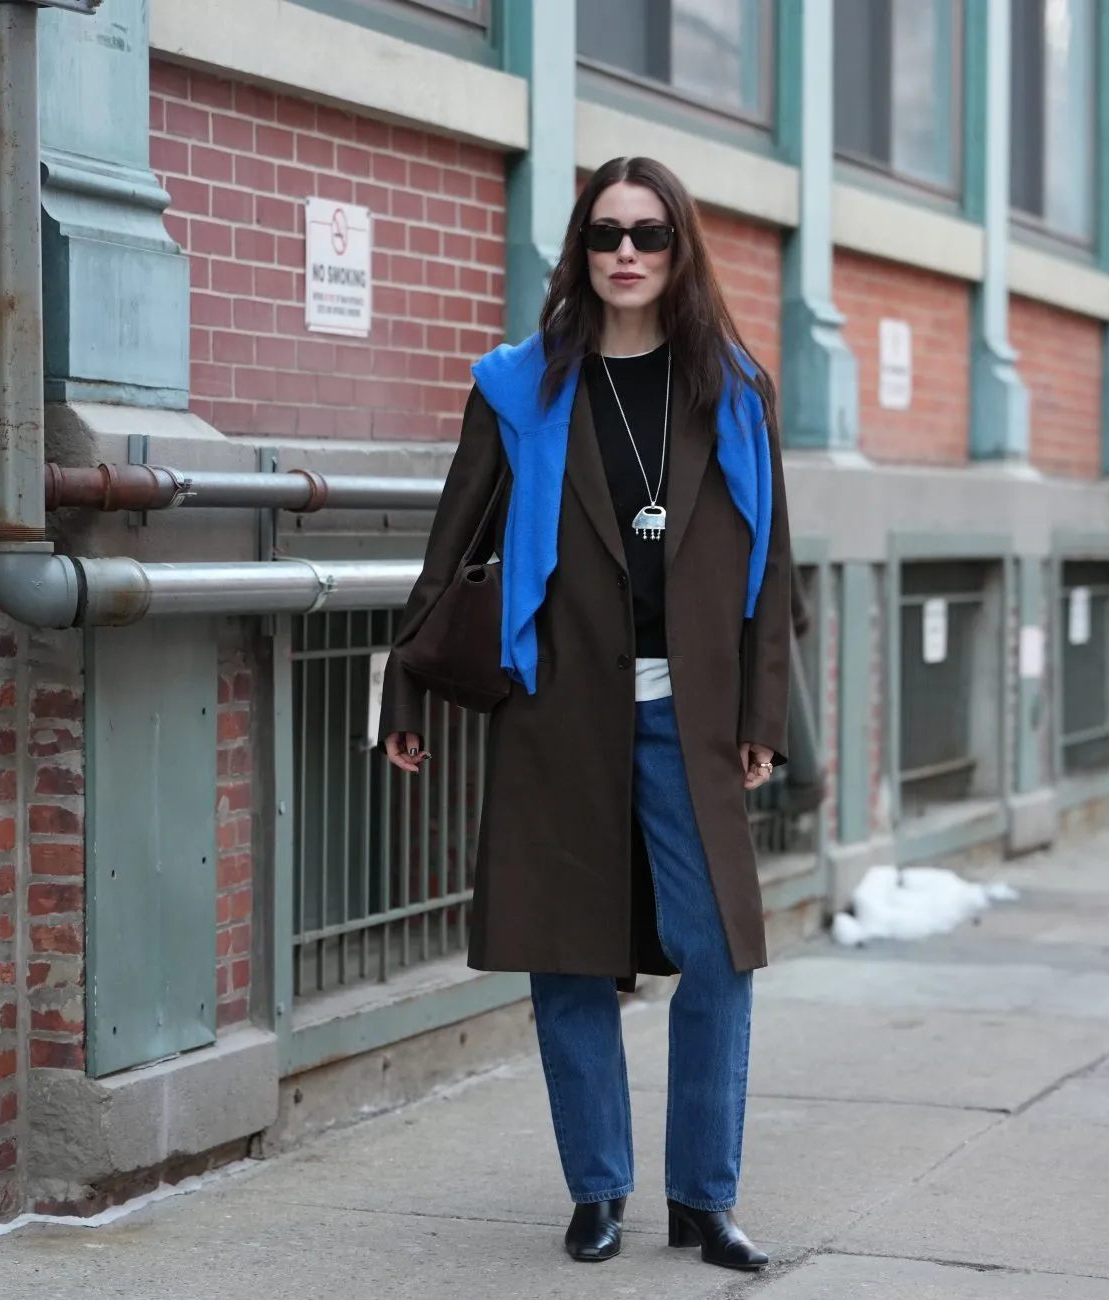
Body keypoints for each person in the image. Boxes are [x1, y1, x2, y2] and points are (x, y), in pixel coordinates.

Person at [378, 155, 792, 1271]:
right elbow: (453, 546)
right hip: (556, 711)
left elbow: (772, 566)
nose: (625, 253)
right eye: (606, 233)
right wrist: (404, 681)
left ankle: (703, 1199)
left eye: (648, 234)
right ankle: (597, 1190)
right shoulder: (519, 387)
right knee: (564, 958)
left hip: (691, 717)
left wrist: (764, 711)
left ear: (679, 250)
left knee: (717, 954)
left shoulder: (731, 391)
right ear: (580, 249)